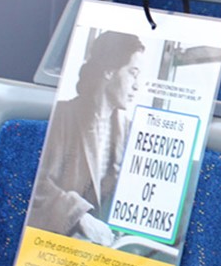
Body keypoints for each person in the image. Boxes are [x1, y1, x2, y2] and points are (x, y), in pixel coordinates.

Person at [27, 30, 146, 245]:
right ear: (109, 71)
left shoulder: (129, 130)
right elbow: (36, 184)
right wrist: (80, 218)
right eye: (133, 73)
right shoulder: (63, 116)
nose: (137, 85)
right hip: (59, 245)